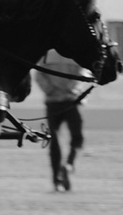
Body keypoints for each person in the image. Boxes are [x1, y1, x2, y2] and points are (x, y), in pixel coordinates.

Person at [35, 48, 92, 191]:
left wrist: (51, 90)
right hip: (71, 101)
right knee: (77, 137)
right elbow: (82, 73)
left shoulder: (47, 54)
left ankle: (56, 179)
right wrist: (69, 89)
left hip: (52, 101)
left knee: (54, 140)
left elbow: (39, 75)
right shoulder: (76, 53)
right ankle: (69, 164)